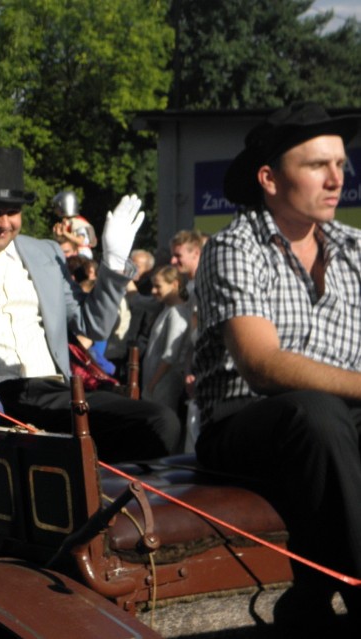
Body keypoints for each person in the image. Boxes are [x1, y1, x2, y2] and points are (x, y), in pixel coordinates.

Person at [193, 102, 361, 636]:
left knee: (329, 419)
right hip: (245, 423)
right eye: (317, 165)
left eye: (341, 164)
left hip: (337, 422)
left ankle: (310, 596)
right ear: (269, 178)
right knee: (315, 414)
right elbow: (262, 365)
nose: (337, 178)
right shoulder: (234, 246)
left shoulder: (356, 249)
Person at [0, 146, 181, 462]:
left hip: (54, 394)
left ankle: (119, 506)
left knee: (160, 422)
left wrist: (114, 265)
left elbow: (92, 325)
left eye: (13, 212)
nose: (4, 223)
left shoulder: (44, 253)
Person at [141, 266, 188, 415]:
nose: (153, 291)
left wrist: (152, 383)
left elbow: (170, 354)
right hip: (154, 383)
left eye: (158, 286)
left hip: (163, 385)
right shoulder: (167, 309)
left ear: (174, 284)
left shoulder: (177, 312)